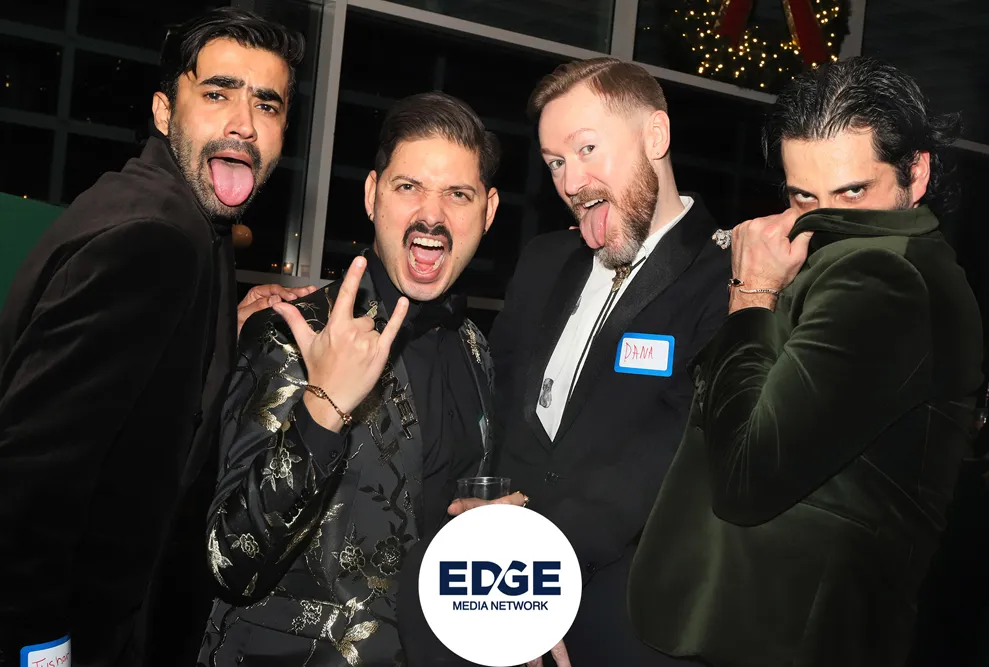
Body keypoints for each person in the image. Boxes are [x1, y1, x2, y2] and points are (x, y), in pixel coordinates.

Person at [628, 56, 984, 667]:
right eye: (803, 196)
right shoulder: (864, 262)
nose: (823, 217)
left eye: (852, 192)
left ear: (916, 173)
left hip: (791, 637)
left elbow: (745, 478)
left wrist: (752, 293)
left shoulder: (885, 276)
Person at [0, 8, 307, 665]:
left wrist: (219, 333)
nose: (244, 124)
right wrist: (41, 651)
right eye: (218, 94)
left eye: (267, 104)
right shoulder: (156, 239)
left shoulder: (179, 212)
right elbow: (28, 483)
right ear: (165, 112)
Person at [432, 57, 731, 666]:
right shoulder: (544, 260)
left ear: (655, 135)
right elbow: (500, 407)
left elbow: (680, 447)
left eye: (587, 148)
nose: (571, 183)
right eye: (555, 163)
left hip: (628, 617)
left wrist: (535, 562)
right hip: (499, 593)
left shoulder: (728, 277)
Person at [198, 92, 501, 666]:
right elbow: (229, 562)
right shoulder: (292, 332)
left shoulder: (476, 350)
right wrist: (323, 408)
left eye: (457, 194)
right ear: (371, 195)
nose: (431, 216)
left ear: (488, 211)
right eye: (408, 187)